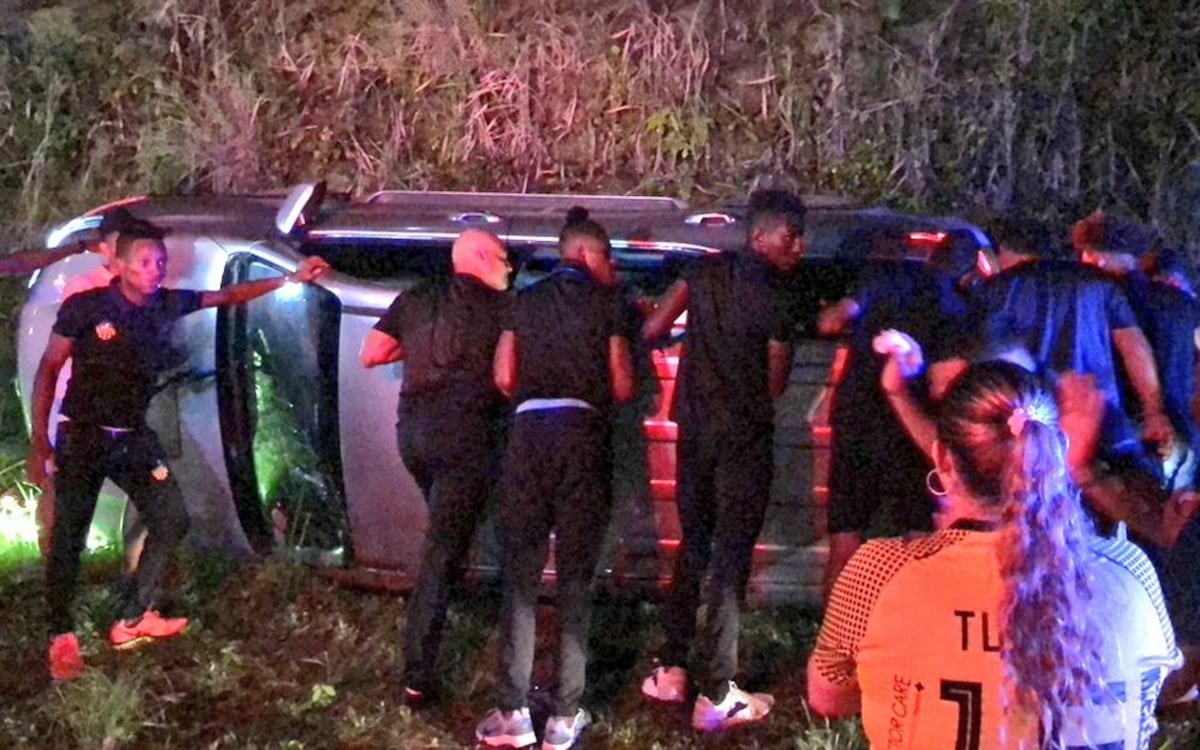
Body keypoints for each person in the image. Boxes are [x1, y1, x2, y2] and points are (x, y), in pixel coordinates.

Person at [808, 360, 1181, 749]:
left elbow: (828, 698)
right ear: (1054, 452)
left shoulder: (878, 574)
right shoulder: (1131, 571)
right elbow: (1162, 683)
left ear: (943, 459)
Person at [27, 227, 329, 681]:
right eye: (146, 262)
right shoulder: (87, 309)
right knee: (70, 534)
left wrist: (292, 280)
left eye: (160, 262)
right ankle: (60, 635)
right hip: (84, 437)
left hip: (132, 437)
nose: (156, 270)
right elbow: (49, 369)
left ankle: (131, 618)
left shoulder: (167, 302)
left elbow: (227, 296)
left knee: (171, 516)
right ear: (121, 265)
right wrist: (39, 442)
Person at [638, 189, 804, 731]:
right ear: (760, 236)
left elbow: (654, 330)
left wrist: (694, 342)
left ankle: (671, 668)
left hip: (695, 431)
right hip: (744, 437)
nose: (798, 248)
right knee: (731, 558)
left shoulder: (700, 273)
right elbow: (776, 382)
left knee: (695, 544)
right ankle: (719, 689)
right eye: (790, 236)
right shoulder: (782, 297)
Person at [475, 208, 633, 750]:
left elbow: (502, 375)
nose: (612, 267)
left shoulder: (524, 299)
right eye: (609, 257)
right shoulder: (607, 303)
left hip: (527, 439)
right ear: (586, 254)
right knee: (574, 580)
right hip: (581, 437)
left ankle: (513, 714)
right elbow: (621, 385)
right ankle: (565, 718)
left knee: (519, 576)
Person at [359, 228, 512, 706]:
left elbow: (372, 353)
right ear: (483, 258)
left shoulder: (416, 299)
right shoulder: (505, 308)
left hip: (415, 437)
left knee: (449, 526)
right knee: (441, 552)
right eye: (505, 258)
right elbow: (510, 376)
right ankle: (417, 673)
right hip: (465, 438)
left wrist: (419, 349)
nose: (510, 267)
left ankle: (457, 589)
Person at [817, 235, 971, 600]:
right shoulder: (959, 305)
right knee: (918, 537)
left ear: (933, 253)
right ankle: (913, 635)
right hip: (913, 426)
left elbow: (831, 322)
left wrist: (822, 310)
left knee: (845, 536)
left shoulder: (883, 278)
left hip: (858, 420)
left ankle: (832, 640)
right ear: (966, 271)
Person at [974, 217, 1173, 476]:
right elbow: (1134, 346)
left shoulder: (996, 289)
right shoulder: (1100, 283)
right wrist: (1154, 411)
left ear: (1007, 251)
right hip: (1100, 416)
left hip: (1028, 424)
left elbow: (981, 358)